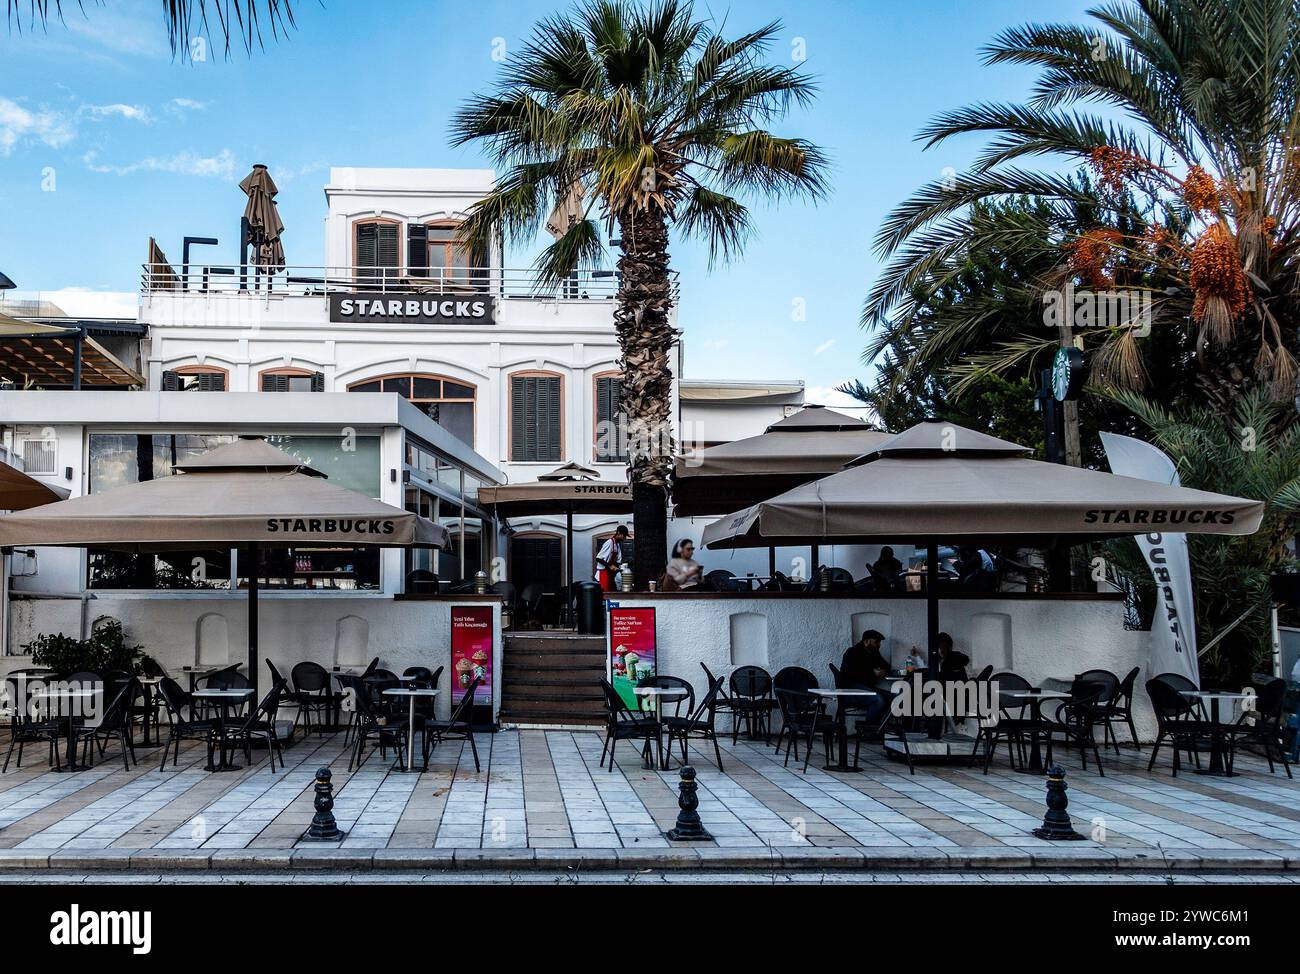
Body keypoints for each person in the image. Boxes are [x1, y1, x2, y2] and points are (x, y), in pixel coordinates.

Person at [596, 525, 628, 591]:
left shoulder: (617, 545)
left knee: (611, 591)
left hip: (610, 572)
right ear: (618, 533)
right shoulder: (609, 543)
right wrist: (610, 565)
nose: (624, 538)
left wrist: (620, 567)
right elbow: (598, 558)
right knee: (605, 592)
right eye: (624, 536)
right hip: (603, 571)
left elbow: (618, 561)